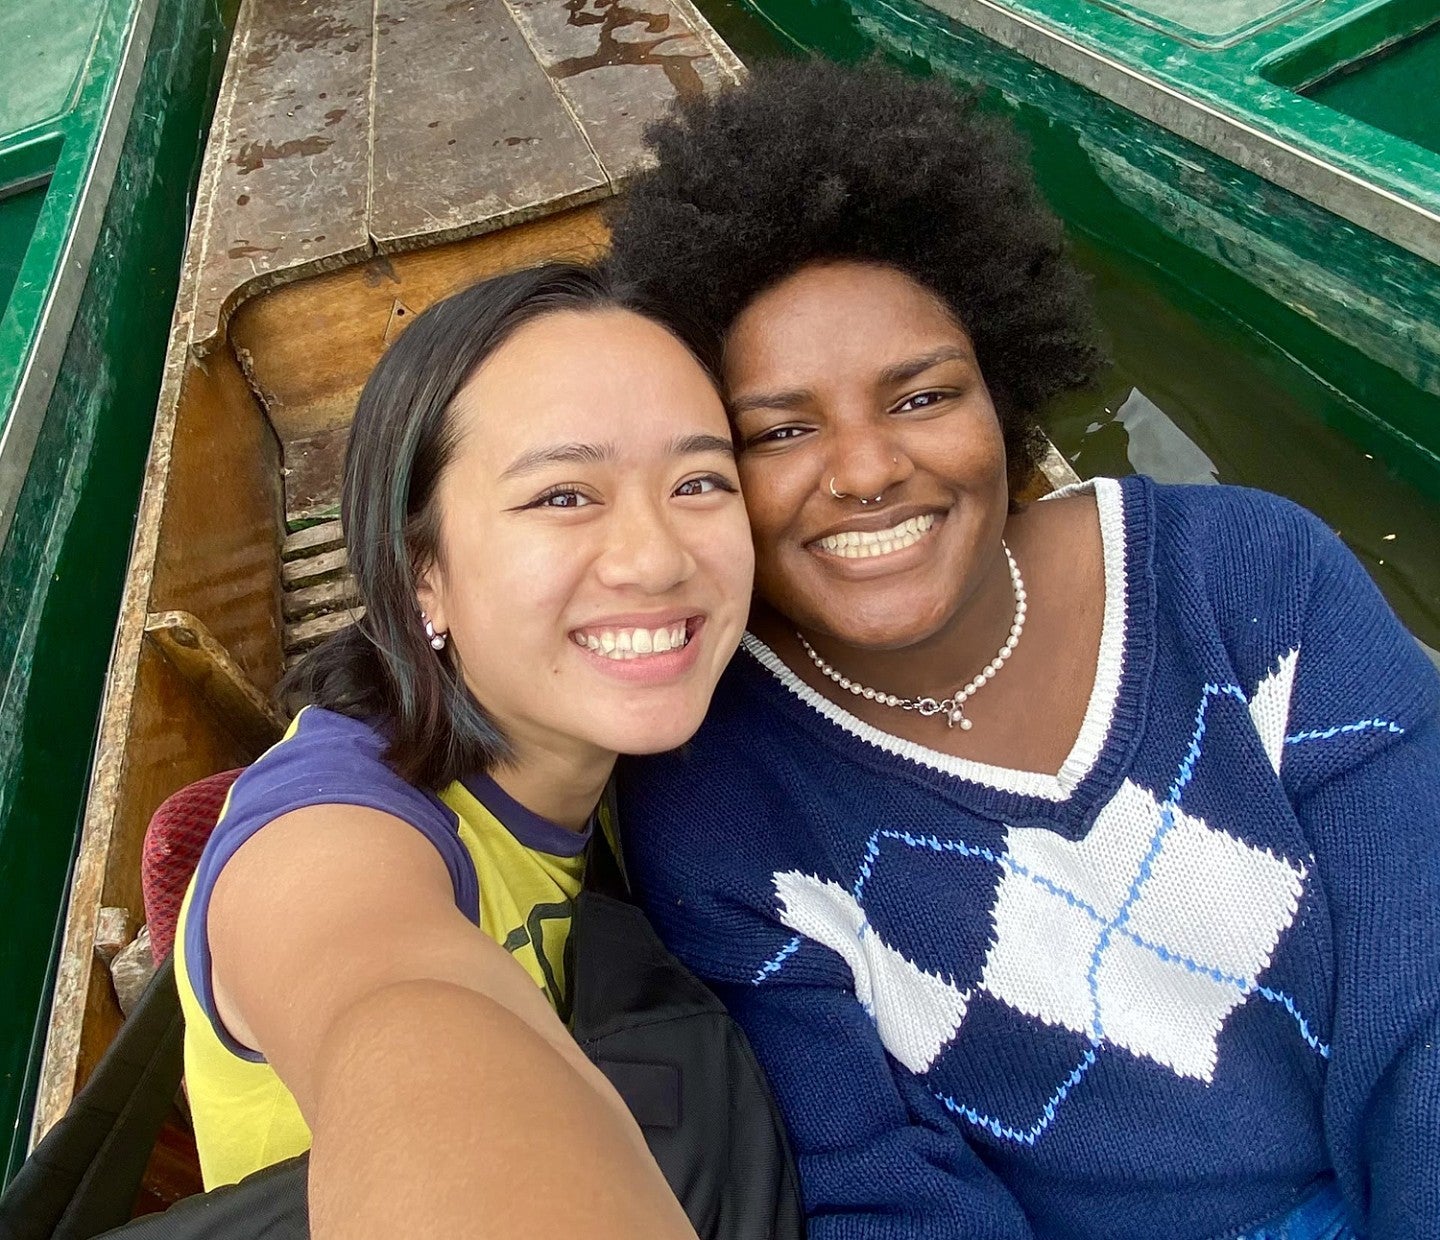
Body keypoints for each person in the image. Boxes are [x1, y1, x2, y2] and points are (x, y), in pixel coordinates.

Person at [606, 60, 1440, 1240]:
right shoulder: (719, 796)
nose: (864, 470)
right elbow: (878, 1188)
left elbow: (1426, 1009)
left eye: (921, 397)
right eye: (780, 430)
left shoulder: (1252, 581)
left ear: (1006, 389)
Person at [172, 263, 755, 1239]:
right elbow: (392, 1003)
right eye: (564, 496)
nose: (657, 558)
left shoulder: (606, 725)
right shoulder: (327, 838)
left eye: (699, 480)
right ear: (422, 576)